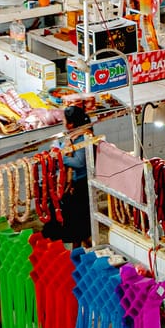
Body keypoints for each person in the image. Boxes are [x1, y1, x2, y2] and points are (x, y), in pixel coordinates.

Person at [48, 104, 93, 245]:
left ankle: (80, 247)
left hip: (79, 185)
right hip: (70, 184)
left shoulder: (83, 137)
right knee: (73, 220)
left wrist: (60, 157)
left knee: (78, 220)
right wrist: (56, 146)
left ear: (71, 123)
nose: (62, 122)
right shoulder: (72, 135)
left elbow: (79, 162)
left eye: (64, 120)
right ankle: (80, 244)